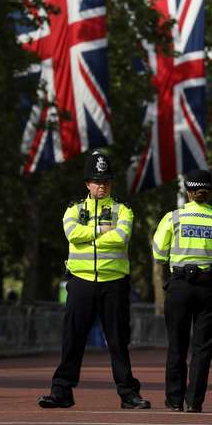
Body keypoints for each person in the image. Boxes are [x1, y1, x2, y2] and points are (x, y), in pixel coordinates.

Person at [37, 151, 150, 410]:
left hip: (114, 282)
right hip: (81, 282)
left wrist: (88, 234)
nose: (103, 186)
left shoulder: (123, 209)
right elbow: (71, 234)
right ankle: (62, 391)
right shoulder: (73, 208)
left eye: (107, 181)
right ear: (87, 183)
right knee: (73, 338)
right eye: (98, 181)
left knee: (118, 340)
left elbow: (121, 237)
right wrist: (101, 230)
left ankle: (128, 393)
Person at [152, 169, 212, 413]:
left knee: (176, 345)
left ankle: (175, 400)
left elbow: (158, 253)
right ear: (209, 192)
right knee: (202, 349)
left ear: (187, 192)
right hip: (208, 288)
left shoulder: (173, 218)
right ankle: (194, 401)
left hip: (179, 287)